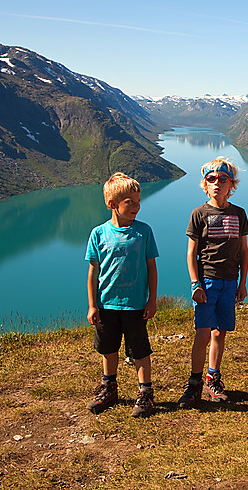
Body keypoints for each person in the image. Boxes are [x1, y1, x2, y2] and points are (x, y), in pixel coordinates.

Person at [178, 158, 248, 408]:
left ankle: (213, 377)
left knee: (220, 332)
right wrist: (195, 284)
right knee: (203, 333)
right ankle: (194, 382)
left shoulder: (238, 213)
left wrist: (242, 284)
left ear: (232, 184)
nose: (217, 183)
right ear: (205, 184)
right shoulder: (199, 213)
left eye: (223, 178)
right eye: (212, 179)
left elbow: (244, 251)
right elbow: (191, 252)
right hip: (207, 280)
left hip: (230, 281)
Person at [85, 172, 158, 417]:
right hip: (107, 304)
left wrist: (152, 299)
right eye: (130, 202)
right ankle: (109, 388)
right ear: (112, 204)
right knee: (108, 348)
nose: (136, 207)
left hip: (135, 304)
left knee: (139, 350)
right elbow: (93, 272)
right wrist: (92, 305)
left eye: (138, 201)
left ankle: (145, 393)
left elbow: (151, 267)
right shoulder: (98, 234)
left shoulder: (143, 232)